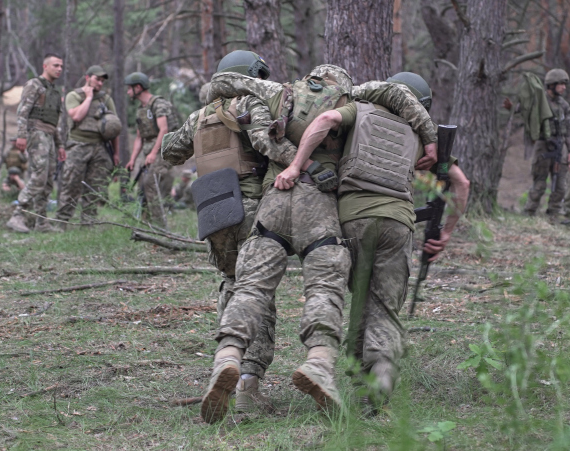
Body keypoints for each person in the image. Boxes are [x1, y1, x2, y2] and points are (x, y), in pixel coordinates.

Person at [199, 63, 439, 422]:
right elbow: (396, 94)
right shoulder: (353, 101)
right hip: (320, 205)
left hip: (274, 200)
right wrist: (430, 137)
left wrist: (289, 159)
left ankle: (229, 357)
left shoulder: (277, 93)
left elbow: (220, 82)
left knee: (250, 287)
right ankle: (319, 363)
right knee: (325, 288)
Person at [303, 72, 468, 412]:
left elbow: (326, 120)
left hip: (352, 221)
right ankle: (379, 376)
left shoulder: (357, 111)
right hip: (397, 223)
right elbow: (461, 184)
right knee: (385, 305)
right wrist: (447, 232)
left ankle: (358, 376)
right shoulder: (424, 135)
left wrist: (296, 162)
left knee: (362, 298)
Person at [163, 50, 313, 421]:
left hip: (212, 210)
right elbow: (266, 143)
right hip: (248, 206)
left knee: (231, 284)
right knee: (255, 292)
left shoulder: (201, 115)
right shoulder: (248, 103)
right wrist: (302, 163)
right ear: (252, 75)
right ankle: (247, 383)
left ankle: (223, 365)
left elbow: (169, 151)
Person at [6, 54, 67, 233]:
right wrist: (22, 135)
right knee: (39, 176)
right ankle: (17, 215)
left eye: (61, 66)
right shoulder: (34, 85)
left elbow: (53, 122)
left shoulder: (54, 92)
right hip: (36, 134)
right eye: (56, 65)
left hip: (49, 136)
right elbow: (22, 111)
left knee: (47, 180)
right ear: (45, 66)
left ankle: (42, 223)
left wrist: (61, 145)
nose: (59, 69)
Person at [55, 65, 120, 226]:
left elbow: (114, 127)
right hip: (78, 145)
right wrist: (89, 97)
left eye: (102, 81)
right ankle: (62, 221)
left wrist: (116, 153)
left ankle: (88, 223)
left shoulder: (106, 99)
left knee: (94, 188)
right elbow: (76, 116)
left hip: (100, 148)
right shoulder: (74, 96)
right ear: (88, 78)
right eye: (97, 79)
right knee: (71, 185)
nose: (100, 83)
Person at [125, 72, 178, 227]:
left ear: (138, 88)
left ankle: (161, 228)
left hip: (163, 151)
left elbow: (164, 130)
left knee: (151, 186)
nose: (128, 92)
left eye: (130, 88)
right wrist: (133, 159)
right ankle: (147, 226)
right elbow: (139, 137)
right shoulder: (141, 109)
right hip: (149, 152)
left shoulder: (158, 104)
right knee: (143, 188)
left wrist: (154, 153)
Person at [519, 69, 570, 222]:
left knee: (560, 185)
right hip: (543, 147)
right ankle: (528, 214)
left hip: (560, 147)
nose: (564, 87)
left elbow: (568, 130)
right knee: (539, 184)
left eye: (564, 84)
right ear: (551, 85)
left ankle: (553, 214)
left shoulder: (564, 105)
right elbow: (523, 109)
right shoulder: (539, 101)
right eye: (561, 84)